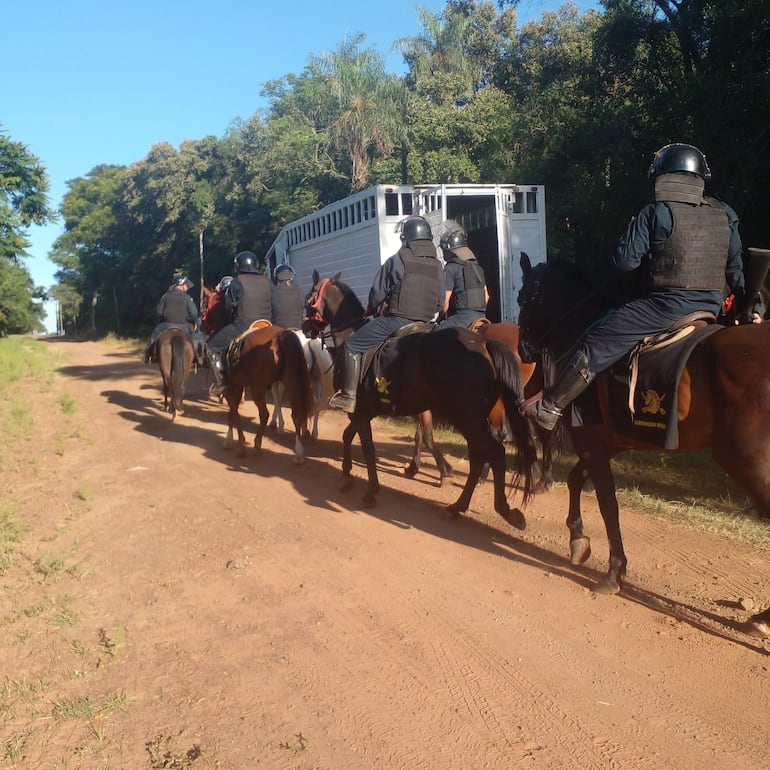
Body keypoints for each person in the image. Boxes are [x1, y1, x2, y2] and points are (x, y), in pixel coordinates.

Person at [524, 141, 758, 432]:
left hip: (663, 307)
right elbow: (736, 269)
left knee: (597, 342)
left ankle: (550, 406)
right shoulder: (725, 213)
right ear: (700, 178)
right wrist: (753, 307)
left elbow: (624, 263)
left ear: (664, 178)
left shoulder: (655, 212)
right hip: (709, 306)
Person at [328, 215, 445, 413]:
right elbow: (440, 302)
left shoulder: (398, 259)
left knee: (351, 345)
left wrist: (372, 308)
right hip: (426, 324)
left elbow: (377, 294)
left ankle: (348, 396)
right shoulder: (437, 265)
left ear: (405, 239)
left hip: (397, 320)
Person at [204, 251, 272, 395]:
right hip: (267, 325)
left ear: (238, 266)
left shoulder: (237, 281)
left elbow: (229, 307)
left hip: (243, 324)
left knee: (210, 347)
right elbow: (276, 307)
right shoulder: (267, 281)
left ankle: (221, 383)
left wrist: (231, 319)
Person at [435, 222, 489, 328]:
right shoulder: (478, 268)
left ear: (449, 250)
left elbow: (445, 303)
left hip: (462, 319)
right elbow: (487, 297)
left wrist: (440, 316)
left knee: (430, 338)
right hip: (481, 317)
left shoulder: (450, 268)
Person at [144, 275, 200, 363]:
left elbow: (159, 312)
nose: (187, 287)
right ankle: (197, 357)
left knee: (154, 335)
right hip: (184, 326)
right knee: (196, 337)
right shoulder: (187, 298)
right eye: (186, 285)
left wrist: (158, 322)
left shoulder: (165, 296)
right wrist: (194, 322)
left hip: (166, 325)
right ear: (181, 285)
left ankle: (150, 355)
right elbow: (194, 313)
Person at [271, 264, 305, 329]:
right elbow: (303, 308)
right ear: (291, 277)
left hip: (279, 332)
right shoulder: (300, 290)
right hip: (298, 331)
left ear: (277, 277)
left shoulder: (273, 291)